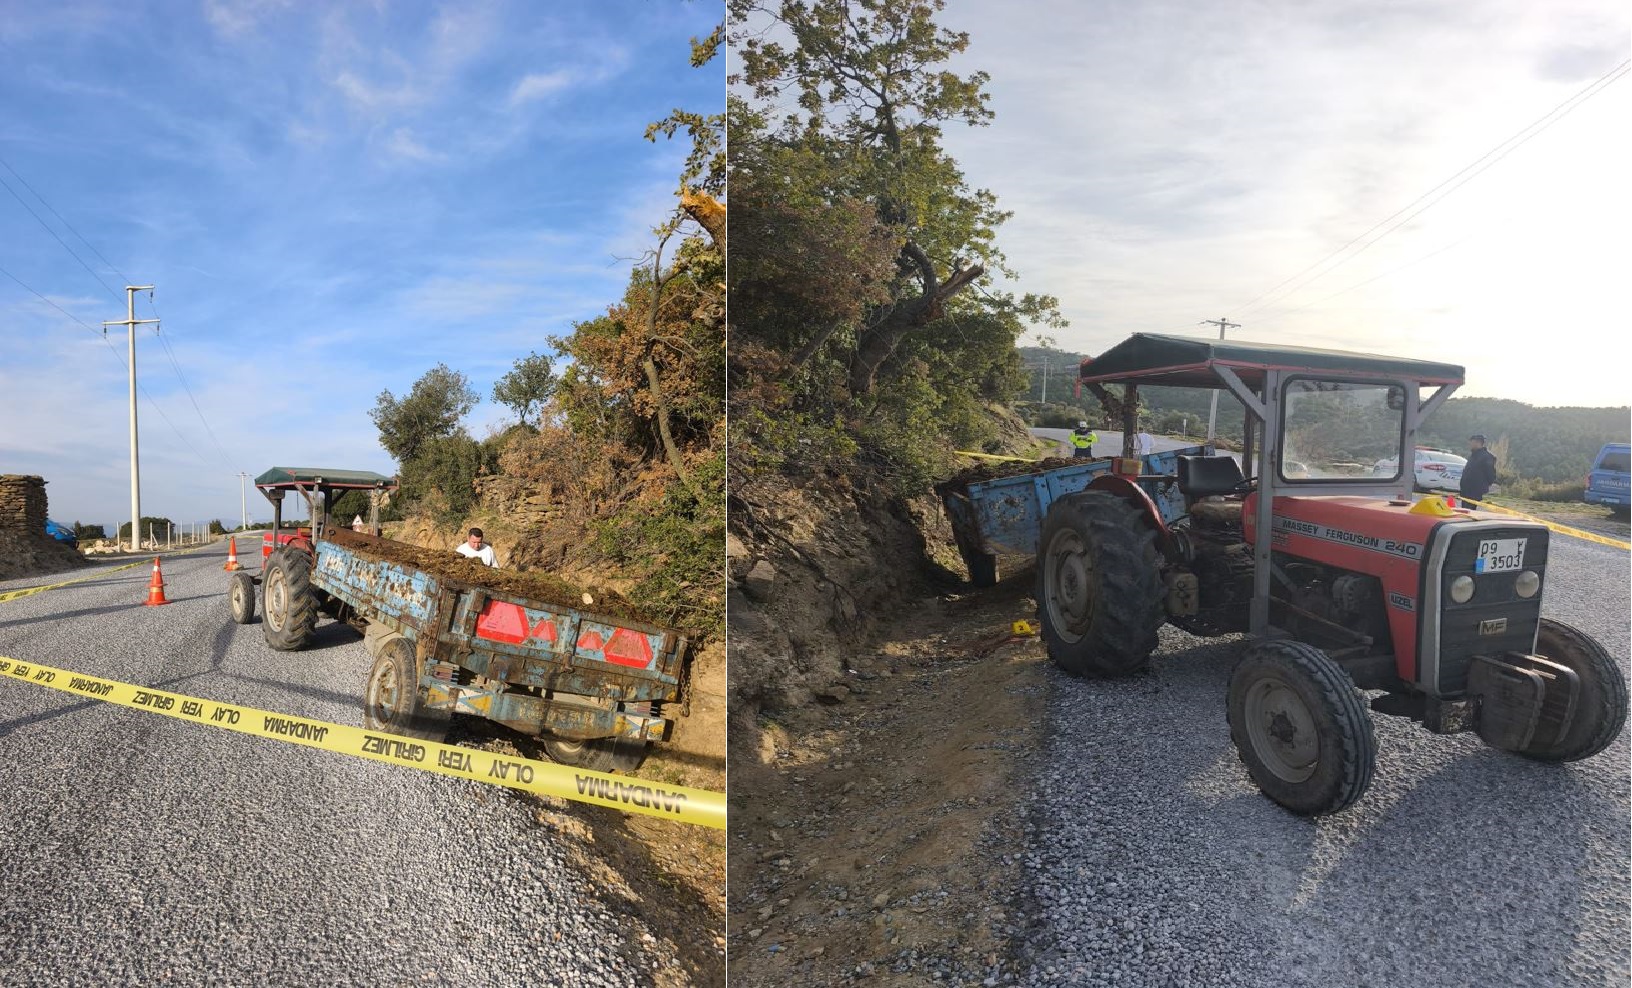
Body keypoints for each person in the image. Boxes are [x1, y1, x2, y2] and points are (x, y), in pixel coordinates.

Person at [1460, 434, 1498, 505]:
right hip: (1466, 491)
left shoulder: (1487, 457)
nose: (1470, 444)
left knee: (1470, 512)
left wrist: (1483, 486)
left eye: (1472, 442)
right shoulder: (1473, 455)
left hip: (1475, 491)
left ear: (1478, 443)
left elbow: (1490, 474)